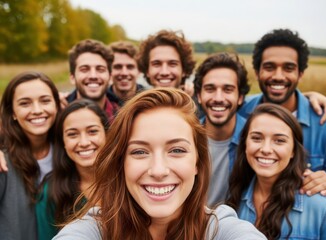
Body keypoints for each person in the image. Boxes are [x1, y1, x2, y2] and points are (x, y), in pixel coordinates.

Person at [53, 88, 266, 240]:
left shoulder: (219, 229)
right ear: (121, 163)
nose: (158, 171)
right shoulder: (96, 230)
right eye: (139, 151)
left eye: (176, 150)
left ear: (197, 163)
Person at [238, 29, 326, 202]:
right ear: (257, 72)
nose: (278, 76)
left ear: (300, 74)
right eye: (269, 67)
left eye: (288, 68)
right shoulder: (240, 111)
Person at [227, 103, 326, 239]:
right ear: (245, 144)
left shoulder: (324, 208)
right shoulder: (235, 199)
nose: (266, 149)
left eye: (279, 141)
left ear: (293, 150)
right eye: (257, 138)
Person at [36, 99, 109, 240]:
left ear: (107, 135)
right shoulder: (50, 191)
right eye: (72, 134)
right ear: (63, 142)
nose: (84, 142)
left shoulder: (127, 179)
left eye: (92, 131)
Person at [0, 71, 60, 240]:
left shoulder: (70, 153)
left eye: (45, 100)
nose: (37, 110)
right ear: (12, 112)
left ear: (56, 105)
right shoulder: (3, 162)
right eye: (25, 103)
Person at [194, 52, 249, 206]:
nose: (218, 98)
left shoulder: (255, 140)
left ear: (240, 97)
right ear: (199, 96)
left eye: (228, 89)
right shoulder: (186, 138)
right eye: (210, 89)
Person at [62, 39, 119, 120]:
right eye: (84, 69)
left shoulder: (123, 119)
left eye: (100, 69)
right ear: (72, 77)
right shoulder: (58, 115)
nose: (93, 76)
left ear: (110, 77)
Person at [136, 29, 196, 95]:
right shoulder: (135, 104)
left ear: (184, 70)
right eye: (156, 64)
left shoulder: (199, 103)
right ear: (147, 70)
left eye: (172, 64)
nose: (164, 72)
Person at [107, 41, 145, 106]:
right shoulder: (100, 102)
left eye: (130, 67)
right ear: (109, 71)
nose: (124, 73)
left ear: (139, 71)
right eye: (118, 67)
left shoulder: (150, 100)